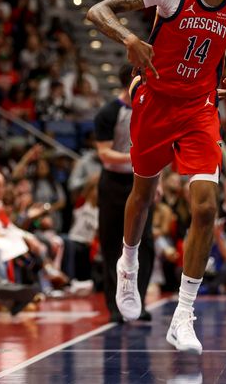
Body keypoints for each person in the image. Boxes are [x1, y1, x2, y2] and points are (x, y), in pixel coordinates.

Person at [87, 0, 226, 353]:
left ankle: (184, 314)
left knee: (207, 206)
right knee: (143, 193)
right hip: (154, 102)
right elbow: (100, 10)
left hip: (200, 108)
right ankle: (128, 264)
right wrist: (129, 39)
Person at [93, 64, 154, 323]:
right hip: (114, 183)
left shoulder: (150, 108)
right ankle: (113, 307)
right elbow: (104, 154)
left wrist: (156, 182)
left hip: (140, 181)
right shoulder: (110, 112)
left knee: (146, 243)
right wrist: (136, 158)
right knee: (111, 244)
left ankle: (138, 300)